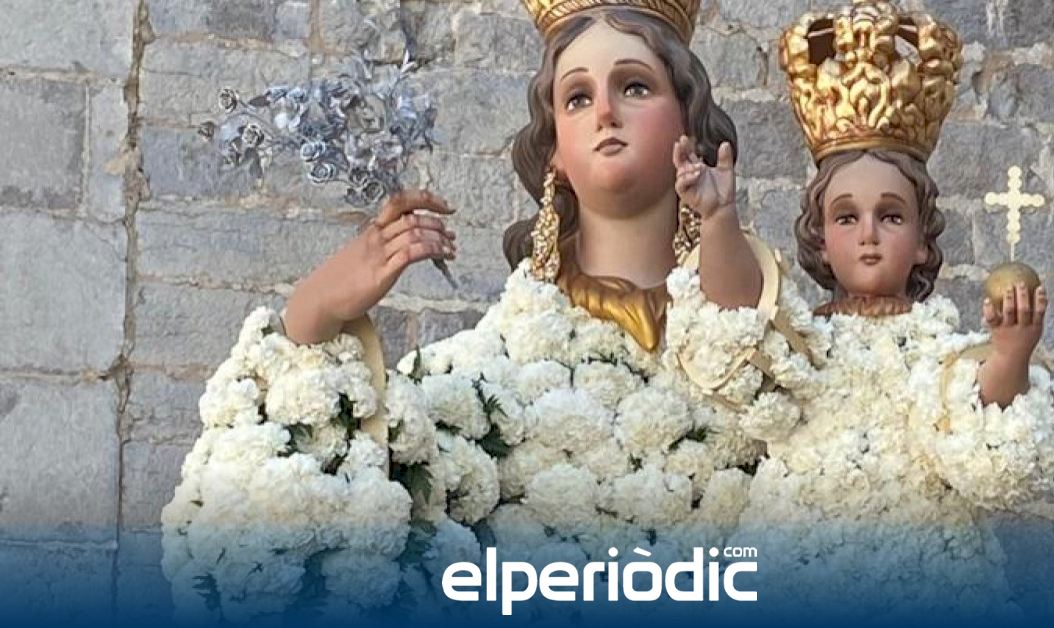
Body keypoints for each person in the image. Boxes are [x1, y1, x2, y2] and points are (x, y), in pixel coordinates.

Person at [160, 0, 783, 617]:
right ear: (555, 153)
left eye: (635, 86)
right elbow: (315, 524)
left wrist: (720, 229)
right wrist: (315, 313)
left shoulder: (775, 355)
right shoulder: (479, 382)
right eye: (577, 97)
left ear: (688, 123)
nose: (605, 113)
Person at [665, 0, 1054, 618]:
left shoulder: (942, 356)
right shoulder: (803, 345)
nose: (869, 234)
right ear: (821, 238)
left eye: (892, 216)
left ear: (923, 239)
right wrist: (719, 220)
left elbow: (989, 465)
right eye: (847, 217)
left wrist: (1010, 356)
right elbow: (739, 331)